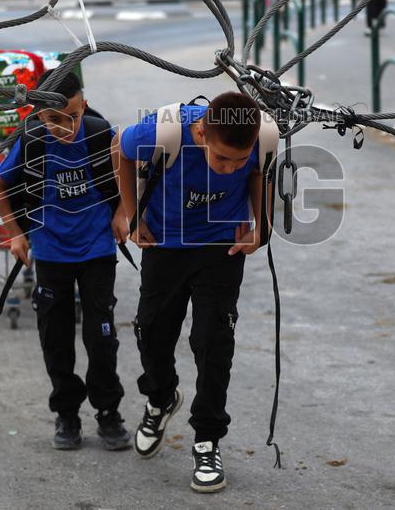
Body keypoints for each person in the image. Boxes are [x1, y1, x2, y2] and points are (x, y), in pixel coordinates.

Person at [116, 92, 267, 494]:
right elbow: (121, 151)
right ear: (201, 134)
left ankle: (207, 440)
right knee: (151, 332)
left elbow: (259, 172)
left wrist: (261, 225)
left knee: (213, 341)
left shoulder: (259, 136)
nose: (229, 169)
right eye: (222, 159)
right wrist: (133, 217)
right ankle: (161, 398)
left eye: (238, 160)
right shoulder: (162, 130)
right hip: (165, 242)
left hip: (220, 245)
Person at [0, 70, 132, 451]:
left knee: (101, 338)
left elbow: (128, 172)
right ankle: (67, 414)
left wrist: (122, 212)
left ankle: (108, 411)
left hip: (98, 250)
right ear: (39, 114)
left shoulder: (101, 134)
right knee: (55, 338)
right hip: (50, 252)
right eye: (54, 119)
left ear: (83, 106)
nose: (64, 127)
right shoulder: (32, 140)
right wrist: (15, 233)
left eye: (72, 116)